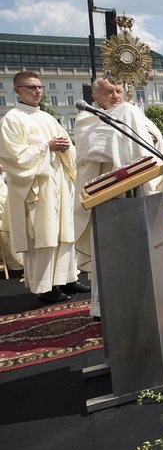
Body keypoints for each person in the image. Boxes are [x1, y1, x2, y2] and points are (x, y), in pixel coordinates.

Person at [74, 77, 163, 314]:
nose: (115, 96)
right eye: (108, 92)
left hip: (142, 197)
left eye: (118, 91)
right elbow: (91, 149)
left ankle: (148, 301)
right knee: (113, 258)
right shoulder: (86, 119)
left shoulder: (138, 117)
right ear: (94, 97)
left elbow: (156, 146)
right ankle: (109, 307)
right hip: (110, 202)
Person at [0, 71, 85, 303]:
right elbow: (13, 158)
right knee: (44, 237)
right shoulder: (11, 120)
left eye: (39, 87)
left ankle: (68, 277)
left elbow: (67, 148)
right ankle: (45, 287)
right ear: (17, 90)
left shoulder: (47, 118)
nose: (37, 91)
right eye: (30, 87)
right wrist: (45, 148)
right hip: (37, 190)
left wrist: (66, 148)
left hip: (58, 185)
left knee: (65, 234)